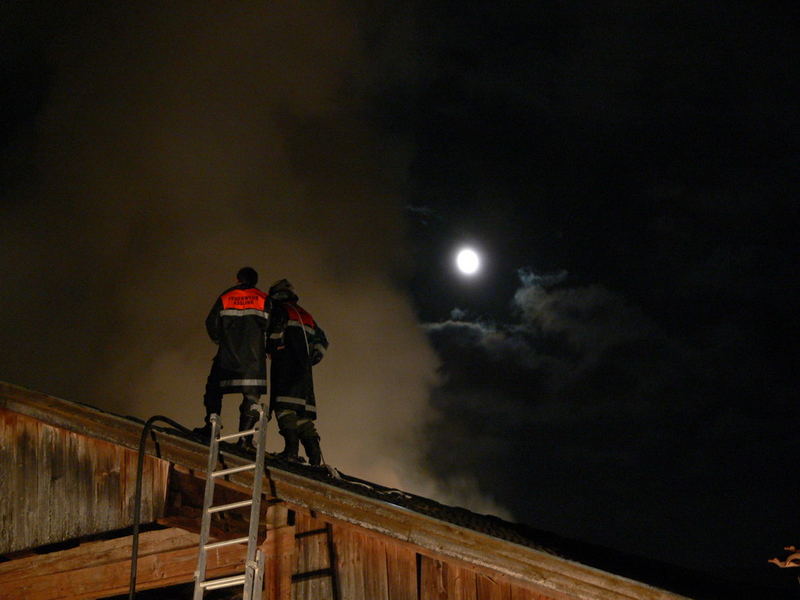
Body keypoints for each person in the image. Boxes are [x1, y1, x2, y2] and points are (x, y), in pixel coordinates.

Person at [195, 267, 270, 452]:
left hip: (227, 357)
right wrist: (268, 347)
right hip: (254, 361)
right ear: (255, 281)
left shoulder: (226, 296)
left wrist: (220, 340)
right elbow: (274, 324)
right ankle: (244, 439)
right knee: (251, 397)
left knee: (213, 390)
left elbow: (211, 323)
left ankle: (212, 428)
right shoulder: (263, 298)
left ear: (238, 280)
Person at [267, 279, 328, 465]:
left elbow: (275, 335)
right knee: (302, 416)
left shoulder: (280, 311)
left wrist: (271, 349)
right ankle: (315, 457)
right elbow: (322, 342)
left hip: (285, 370)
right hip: (304, 375)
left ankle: (291, 451)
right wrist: (311, 360)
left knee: (284, 409)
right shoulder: (306, 315)